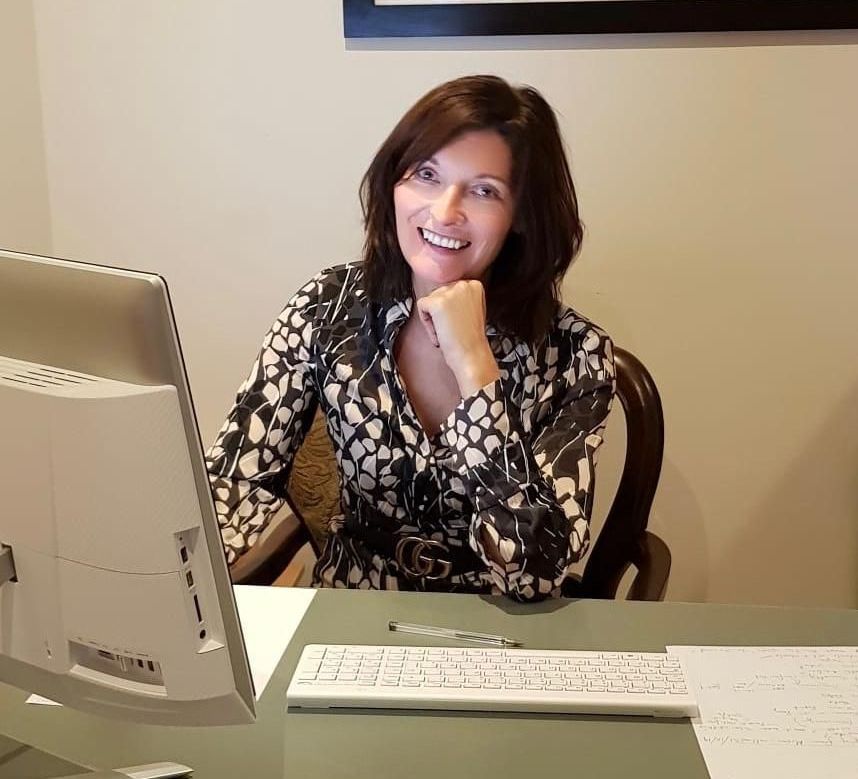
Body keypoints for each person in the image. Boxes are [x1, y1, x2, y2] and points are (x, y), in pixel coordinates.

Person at [206, 75, 615, 602]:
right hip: (352, 606)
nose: (444, 211)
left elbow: (534, 572)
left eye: (484, 190)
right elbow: (235, 481)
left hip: (500, 620)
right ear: (393, 183)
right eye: (426, 174)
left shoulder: (578, 355)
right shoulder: (327, 306)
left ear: (520, 215)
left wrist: (475, 366)